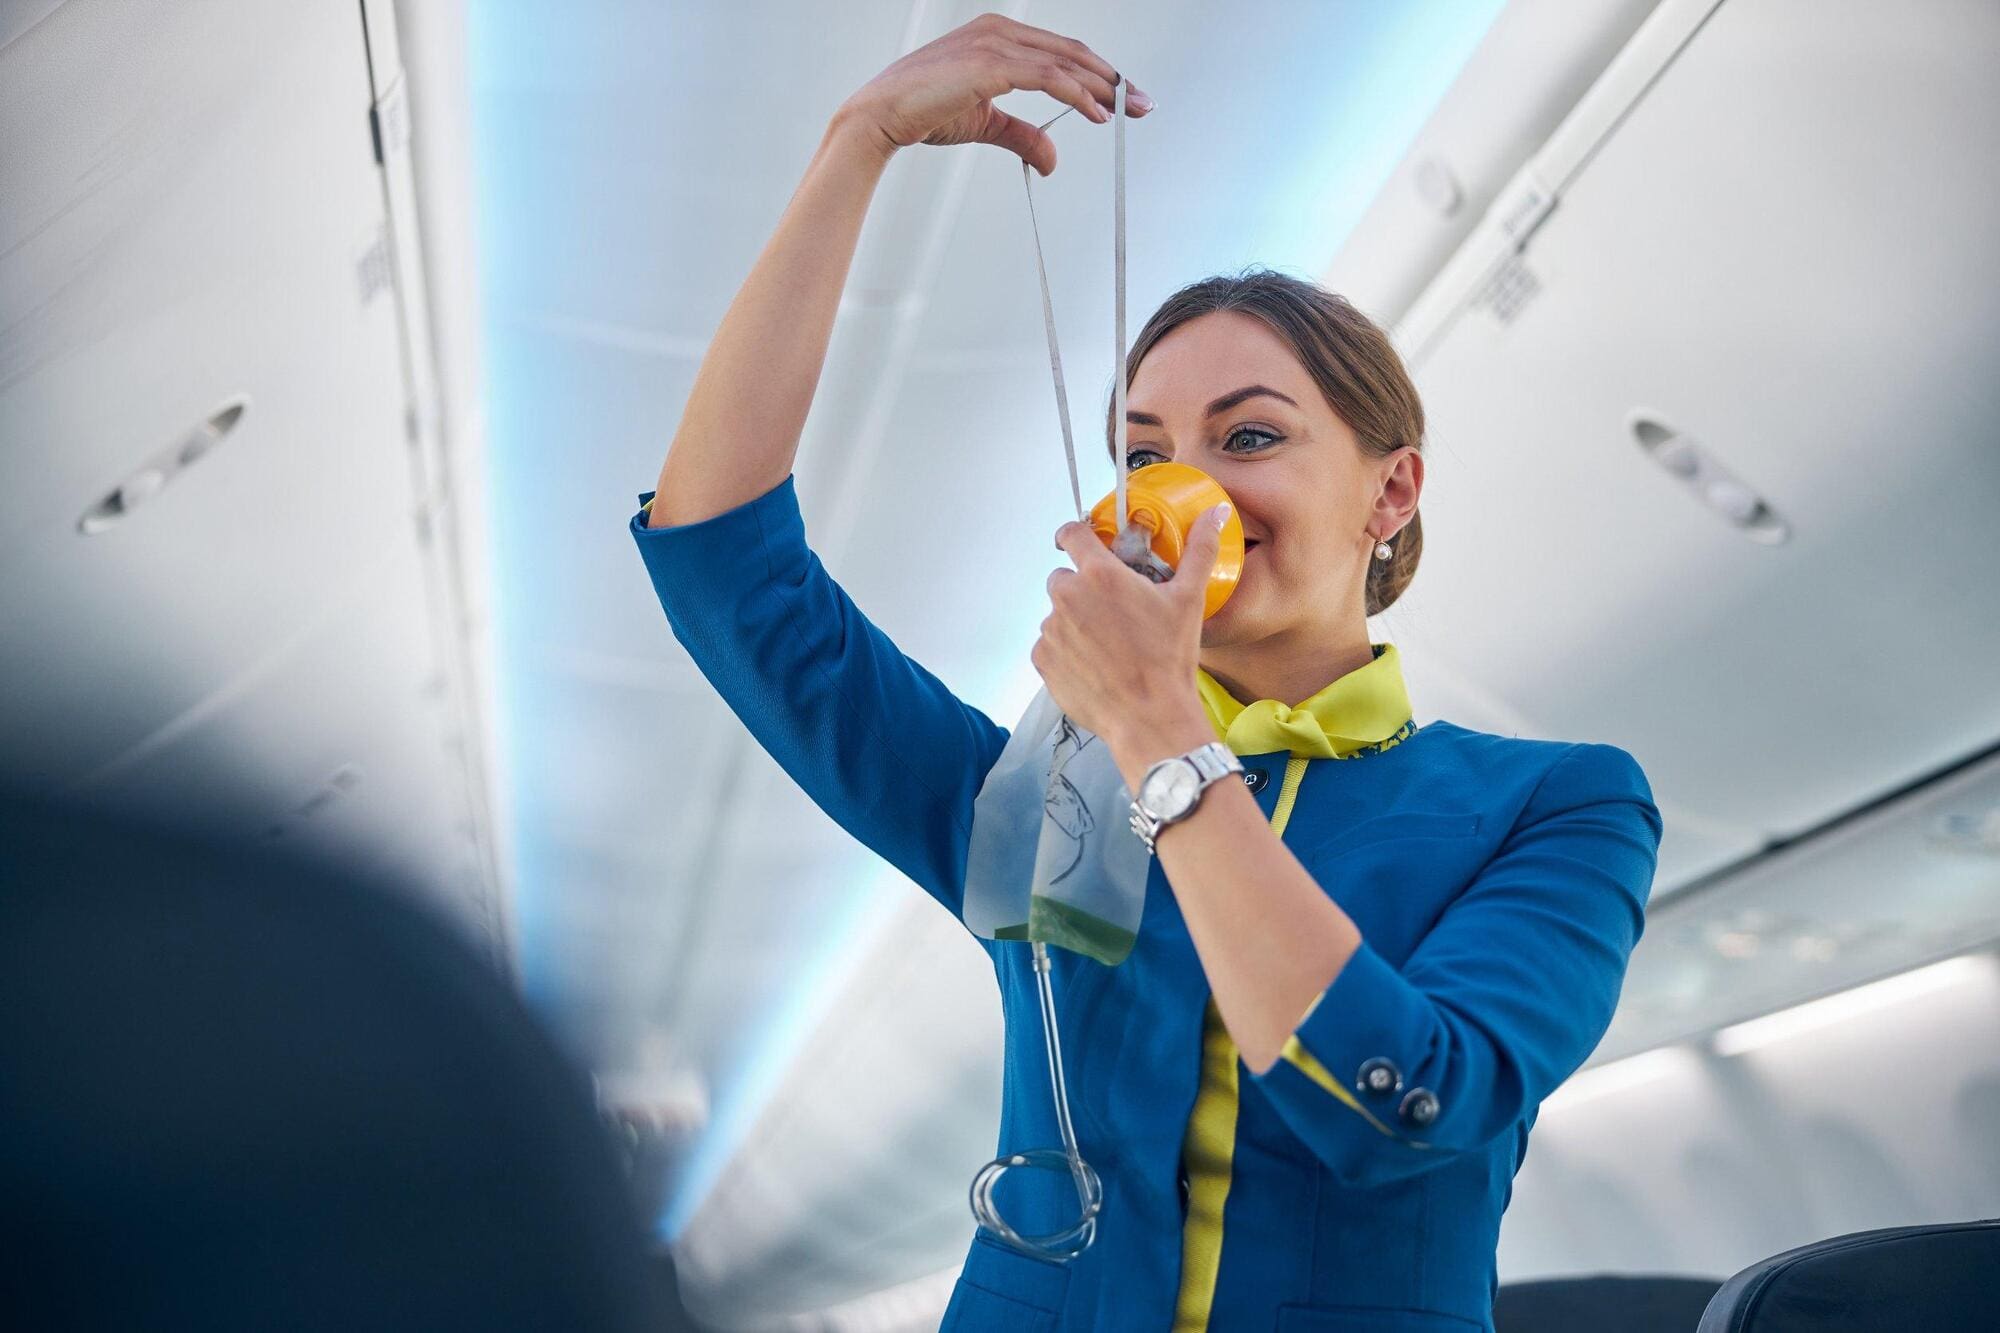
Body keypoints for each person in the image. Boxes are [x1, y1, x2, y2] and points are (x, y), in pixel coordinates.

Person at [629, 14, 1662, 1332]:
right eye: (1147, 450)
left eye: (1250, 435)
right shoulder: (1038, 792)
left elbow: (1408, 1104)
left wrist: (1160, 732)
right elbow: (725, 570)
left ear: (1389, 488)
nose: (1188, 490)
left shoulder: (1555, 807)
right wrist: (857, 145)